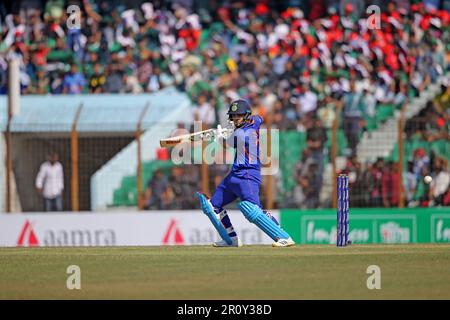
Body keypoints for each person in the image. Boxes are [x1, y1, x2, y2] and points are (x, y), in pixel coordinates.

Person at [196, 99, 295, 247]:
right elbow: (259, 117)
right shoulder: (254, 121)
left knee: (253, 210)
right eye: (233, 116)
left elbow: (227, 144)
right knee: (212, 206)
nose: (236, 118)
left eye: (239, 115)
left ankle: (283, 237)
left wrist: (220, 137)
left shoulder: (242, 133)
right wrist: (229, 131)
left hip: (248, 175)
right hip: (234, 174)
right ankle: (231, 239)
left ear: (246, 115)